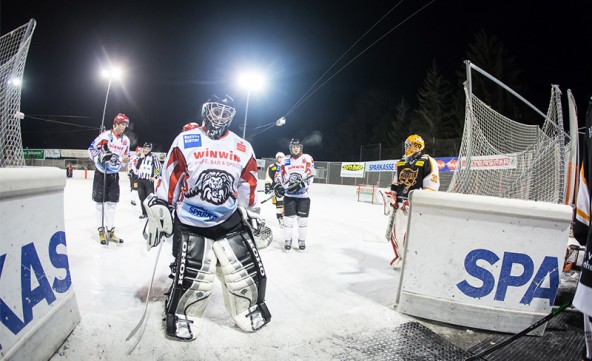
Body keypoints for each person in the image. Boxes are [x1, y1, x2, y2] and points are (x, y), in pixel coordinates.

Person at [142, 94, 271, 340]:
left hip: (228, 218)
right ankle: (181, 309)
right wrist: (161, 205)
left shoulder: (243, 146)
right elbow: (172, 176)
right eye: (216, 111)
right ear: (206, 111)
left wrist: (253, 212)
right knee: (193, 278)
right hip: (191, 220)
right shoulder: (186, 139)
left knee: (247, 273)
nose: (220, 117)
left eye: (226, 112)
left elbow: (248, 183)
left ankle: (249, 308)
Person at [386, 134, 439, 268]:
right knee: (396, 234)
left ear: (417, 146)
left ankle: (413, 261)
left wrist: (415, 200)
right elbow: (395, 183)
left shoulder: (428, 161)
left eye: (409, 145)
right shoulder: (402, 162)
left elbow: (432, 186)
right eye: (406, 145)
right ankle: (402, 257)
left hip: (415, 206)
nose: (406, 148)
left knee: (412, 236)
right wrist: (392, 197)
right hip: (400, 204)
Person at [88, 113, 131, 244]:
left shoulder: (126, 140)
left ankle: (111, 231)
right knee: (100, 204)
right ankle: (101, 231)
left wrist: (125, 160)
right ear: (115, 124)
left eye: (125, 125)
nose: (123, 127)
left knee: (112, 204)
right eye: (122, 124)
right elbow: (90, 149)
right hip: (101, 172)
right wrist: (99, 158)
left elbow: (126, 156)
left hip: (113, 174)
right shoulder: (105, 136)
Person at [274, 138, 315, 251]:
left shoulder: (307, 158)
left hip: (303, 196)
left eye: (298, 147)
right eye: (293, 147)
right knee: (288, 221)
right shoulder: (285, 160)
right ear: (290, 148)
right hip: (289, 196)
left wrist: (303, 184)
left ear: (300, 148)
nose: (296, 149)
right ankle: (287, 240)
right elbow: (278, 174)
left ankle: (302, 240)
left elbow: (311, 174)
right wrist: (278, 186)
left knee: (302, 221)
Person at [136, 142, 162, 219]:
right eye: (145, 148)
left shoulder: (153, 157)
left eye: (148, 149)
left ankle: (151, 214)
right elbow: (137, 167)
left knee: (149, 198)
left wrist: (155, 176)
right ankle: (144, 213)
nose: (146, 150)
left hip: (148, 181)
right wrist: (140, 158)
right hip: (140, 180)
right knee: (142, 197)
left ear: (150, 149)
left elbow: (159, 167)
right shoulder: (141, 155)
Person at [264, 152, 285, 226]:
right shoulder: (272, 166)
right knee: (279, 204)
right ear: (276, 158)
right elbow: (268, 177)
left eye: (282, 157)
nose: (280, 158)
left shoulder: (286, 166)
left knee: (286, 205)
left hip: (285, 188)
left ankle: (284, 217)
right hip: (276, 188)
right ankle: (280, 219)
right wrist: (267, 185)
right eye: (279, 157)